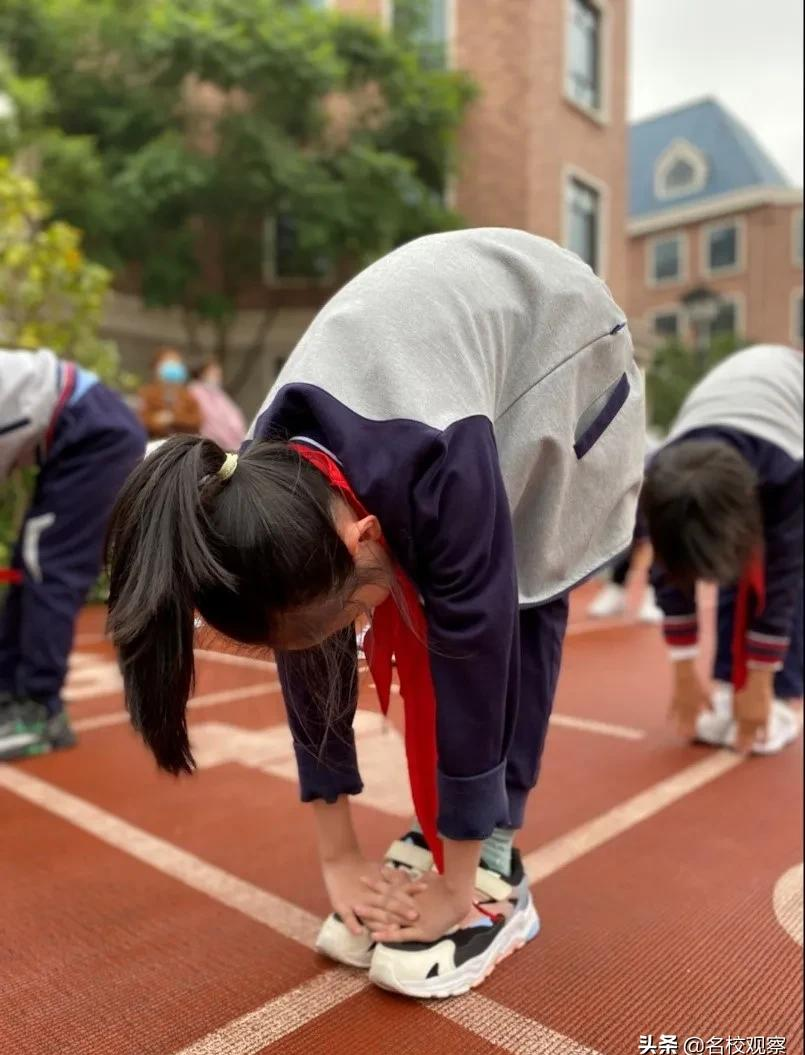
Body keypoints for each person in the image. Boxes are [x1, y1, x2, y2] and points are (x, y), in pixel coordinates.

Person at [105, 228, 645, 998]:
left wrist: (456, 884)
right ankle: (457, 829)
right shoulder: (263, 491)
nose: (344, 639)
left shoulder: (439, 470)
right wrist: (338, 856)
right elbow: (305, 646)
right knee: (381, 601)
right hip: (438, 359)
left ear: (363, 534)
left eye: (348, 615)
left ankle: (496, 846)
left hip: (562, 344)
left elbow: (475, 645)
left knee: (520, 590)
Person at [641, 344, 803, 756]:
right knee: (726, 561)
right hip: (729, 413)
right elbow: (668, 570)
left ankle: (779, 699)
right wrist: (684, 672)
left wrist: (764, 679)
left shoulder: (787, 472)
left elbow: (786, 572)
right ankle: (730, 687)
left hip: (789, 414)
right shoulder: (660, 478)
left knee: (781, 573)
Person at [0, 347, 146, 759]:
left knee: (49, 567)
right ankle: (11, 695)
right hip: (74, 429)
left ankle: (40, 711)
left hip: (95, 433)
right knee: (30, 563)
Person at [588, 431, 663, 623]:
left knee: (648, 543)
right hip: (626, 488)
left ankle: (651, 596)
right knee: (624, 539)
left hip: (651, 486)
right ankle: (617, 589)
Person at [137, 347, 201, 439]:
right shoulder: (147, 393)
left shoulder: (187, 395)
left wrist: (174, 418)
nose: (173, 366)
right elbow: (140, 421)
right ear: (157, 367)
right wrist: (156, 421)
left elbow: (197, 421)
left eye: (176, 363)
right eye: (168, 362)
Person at [188, 358, 247, 451]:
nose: (217, 373)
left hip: (233, 445)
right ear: (202, 373)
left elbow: (234, 416)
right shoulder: (195, 391)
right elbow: (211, 420)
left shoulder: (218, 392)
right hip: (215, 446)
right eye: (212, 370)